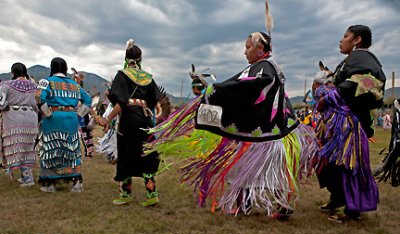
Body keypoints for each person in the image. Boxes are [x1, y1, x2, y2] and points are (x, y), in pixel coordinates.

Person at [146, 31, 317, 219]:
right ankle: (258, 205)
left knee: (255, 168)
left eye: (248, 47)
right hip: (265, 134)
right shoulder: (264, 66)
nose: (245, 52)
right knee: (254, 169)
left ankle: (269, 205)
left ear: (260, 49)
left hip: (264, 135)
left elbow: (247, 87)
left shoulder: (265, 68)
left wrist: (216, 90)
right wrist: (218, 91)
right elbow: (238, 85)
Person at [315, 25, 385, 223]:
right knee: (329, 163)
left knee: (348, 164)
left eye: (345, 36)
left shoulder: (364, 60)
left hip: (350, 124)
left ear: (357, 40)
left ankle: (353, 210)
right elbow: (340, 82)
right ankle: (338, 197)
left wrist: (327, 99)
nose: (341, 40)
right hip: (339, 124)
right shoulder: (353, 60)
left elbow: (361, 84)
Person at [98, 39, 162, 206]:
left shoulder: (122, 74)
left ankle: (125, 194)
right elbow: (154, 99)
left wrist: (107, 118)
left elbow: (120, 102)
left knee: (126, 154)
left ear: (126, 58)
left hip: (129, 119)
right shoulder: (148, 77)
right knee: (146, 154)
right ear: (140, 59)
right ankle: (151, 194)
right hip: (145, 118)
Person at [37, 57, 92, 192]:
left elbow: (38, 96)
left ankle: (50, 184)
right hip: (71, 118)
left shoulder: (46, 82)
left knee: (52, 148)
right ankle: (77, 182)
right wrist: (79, 114)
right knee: (71, 148)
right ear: (66, 69)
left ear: (52, 68)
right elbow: (88, 99)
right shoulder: (75, 85)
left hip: (53, 118)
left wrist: (47, 113)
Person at [0, 63, 39, 186]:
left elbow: (1, 103)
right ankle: (26, 176)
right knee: (27, 147)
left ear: (13, 73)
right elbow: (38, 104)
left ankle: (28, 179)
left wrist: (6, 105)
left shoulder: (6, 85)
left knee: (17, 147)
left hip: (14, 119)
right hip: (31, 119)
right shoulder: (34, 86)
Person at [373, 99, 400, 187]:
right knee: (392, 158)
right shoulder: (396, 107)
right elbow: (396, 125)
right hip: (398, 138)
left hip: (397, 138)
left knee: (393, 158)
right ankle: (393, 176)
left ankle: (393, 175)